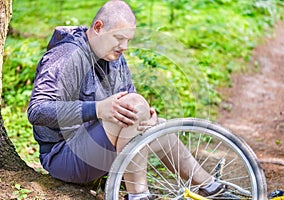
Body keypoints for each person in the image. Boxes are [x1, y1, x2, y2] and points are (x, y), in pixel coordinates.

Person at [28, 0, 227, 199]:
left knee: (159, 127)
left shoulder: (114, 58)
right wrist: (97, 109)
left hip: (97, 147)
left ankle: (210, 187)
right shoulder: (67, 54)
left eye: (128, 40)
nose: (124, 47)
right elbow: (37, 110)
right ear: (98, 27)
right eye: (119, 38)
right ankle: (138, 195)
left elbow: (131, 98)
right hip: (64, 155)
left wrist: (147, 116)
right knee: (133, 110)